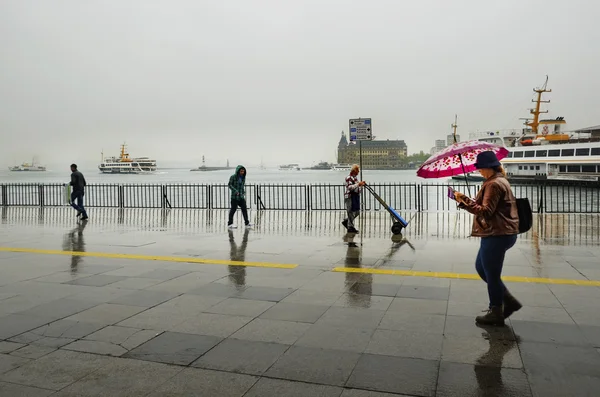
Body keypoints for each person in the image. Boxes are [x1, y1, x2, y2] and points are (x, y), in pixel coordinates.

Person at [453, 151, 521, 326]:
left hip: (496, 234)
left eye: (480, 168)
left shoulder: (493, 184)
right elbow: (487, 207)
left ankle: (496, 310)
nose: (479, 172)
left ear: (487, 167)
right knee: (482, 268)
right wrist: (465, 199)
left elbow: (486, 212)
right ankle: (508, 301)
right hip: (501, 232)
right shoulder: (499, 180)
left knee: (491, 273)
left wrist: (465, 203)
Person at [342, 164, 365, 233]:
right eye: (358, 170)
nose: (358, 172)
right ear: (354, 171)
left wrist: (361, 185)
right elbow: (349, 187)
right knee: (351, 212)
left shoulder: (355, 178)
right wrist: (358, 184)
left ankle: (348, 222)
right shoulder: (349, 178)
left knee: (356, 212)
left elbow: (357, 187)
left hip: (355, 196)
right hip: (350, 197)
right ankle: (350, 227)